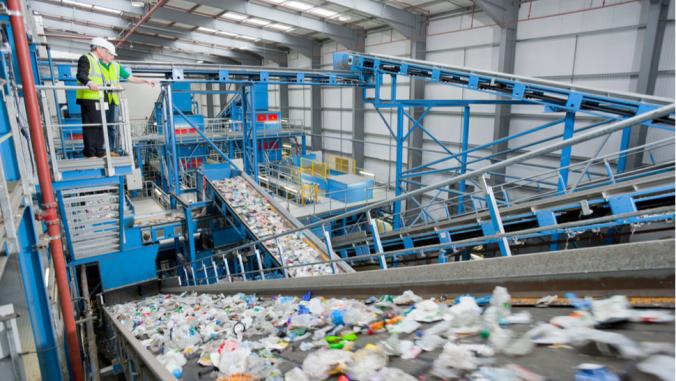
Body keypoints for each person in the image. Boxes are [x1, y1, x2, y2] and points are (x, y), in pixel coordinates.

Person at [76, 37, 155, 157]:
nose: (111, 56)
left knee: (104, 126)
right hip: (91, 97)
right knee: (93, 125)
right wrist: (90, 83)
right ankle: (92, 152)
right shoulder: (90, 60)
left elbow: (130, 77)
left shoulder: (114, 66)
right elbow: (82, 75)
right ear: (99, 49)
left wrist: (145, 81)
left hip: (106, 99)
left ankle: (101, 150)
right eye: (108, 52)